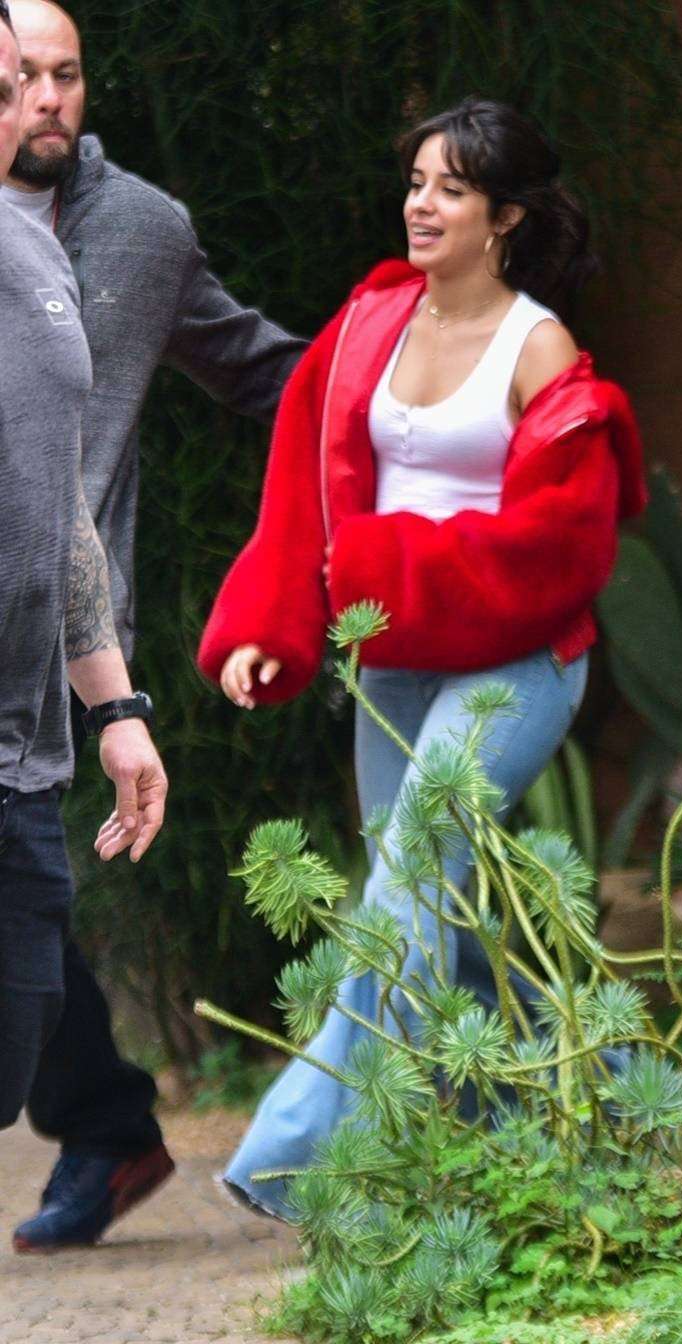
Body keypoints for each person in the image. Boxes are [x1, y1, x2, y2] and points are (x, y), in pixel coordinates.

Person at [199, 97, 647, 1219]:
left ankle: (300, 1151)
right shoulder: (372, 320)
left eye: (451, 188)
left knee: (406, 884)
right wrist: (267, 623)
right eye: (415, 183)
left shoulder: (539, 347)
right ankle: (588, 1121)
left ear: (505, 216)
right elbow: (304, 488)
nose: (421, 204)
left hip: (516, 663)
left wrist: (385, 564)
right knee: (439, 919)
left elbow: (565, 543)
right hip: (393, 660)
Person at [4, 0, 308, 1253]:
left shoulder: (140, 229)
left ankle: (102, 1120)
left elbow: (260, 367)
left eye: (67, 74)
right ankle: (107, 1119)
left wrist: (425, 390)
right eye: (24, 76)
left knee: (23, 877)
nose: (48, 99)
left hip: (66, 628)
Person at [0, 0, 168, 1236]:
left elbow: (59, 508)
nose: (27, 101)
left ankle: (108, 1133)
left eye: (28, 78)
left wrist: (116, 708)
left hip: (26, 753)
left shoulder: (42, 254)